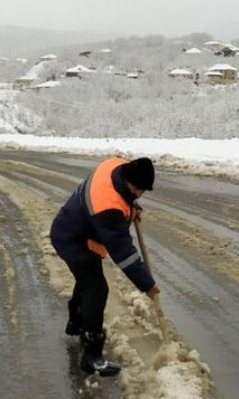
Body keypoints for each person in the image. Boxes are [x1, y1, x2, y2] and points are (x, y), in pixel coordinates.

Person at [50, 157, 160, 376]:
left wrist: (131, 205)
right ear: (128, 178)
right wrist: (147, 284)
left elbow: (123, 196)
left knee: (87, 281)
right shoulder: (107, 207)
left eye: (143, 191)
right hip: (72, 240)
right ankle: (91, 356)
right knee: (96, 289)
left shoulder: (115, 165)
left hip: (74, 227)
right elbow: (124, 254)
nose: (140, 194)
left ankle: (76, 323)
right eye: (137, 189)